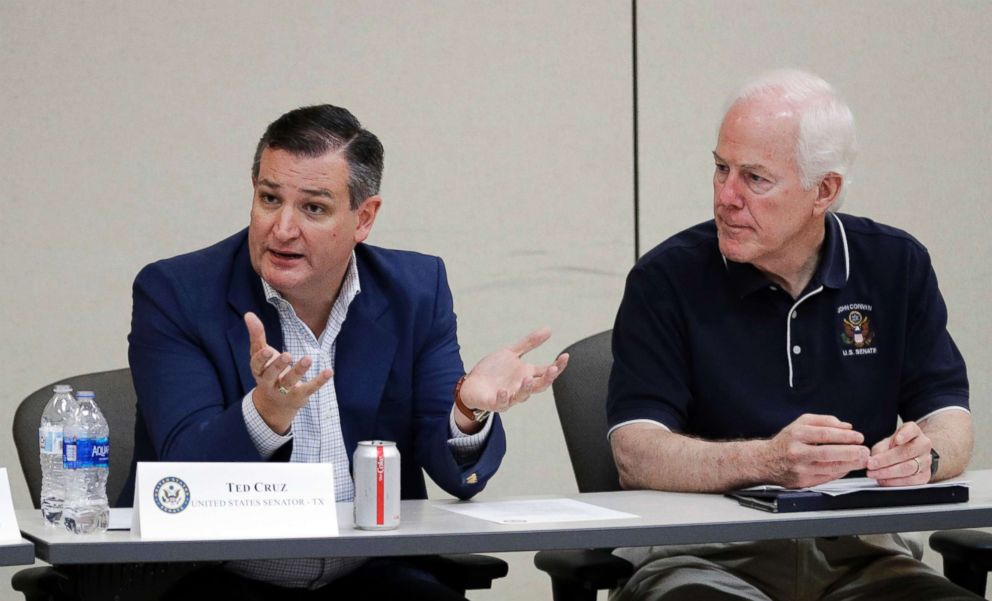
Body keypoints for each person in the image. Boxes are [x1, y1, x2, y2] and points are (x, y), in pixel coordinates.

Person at [124, 104, 568, 599]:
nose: (283, 229)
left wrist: (468, 410)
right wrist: (266, 414)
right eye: (270, 199)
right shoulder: (178, 293)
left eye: (313, 208)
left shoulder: (415, 292)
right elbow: (182, 475)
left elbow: (457, 478)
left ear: (364, 218)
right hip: (218, 576)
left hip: (369, 574)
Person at [607, 70, 976, 601]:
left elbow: (950, 419)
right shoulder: (666, 278)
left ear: (824, 190)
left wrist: (927, 455)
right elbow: (635, 454)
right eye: (720, 168)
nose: (726, 196)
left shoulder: (896, 264)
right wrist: (768, 461)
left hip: (865, 558)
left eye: (755, 178)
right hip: (705, 558)